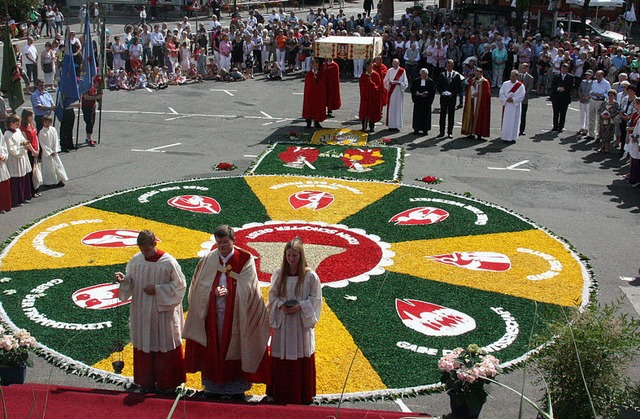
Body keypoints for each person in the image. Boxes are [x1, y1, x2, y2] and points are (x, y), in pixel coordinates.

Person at [183, 225, 271, 400]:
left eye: (225, 242)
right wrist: (213, 292)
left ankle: (235, 389)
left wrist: (230, 293)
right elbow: (198, 286)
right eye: (219, 242)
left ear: (233, 241)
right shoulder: (209, 259)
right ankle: (213, 387)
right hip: (213, 316)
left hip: (237, 316)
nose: (222, 246)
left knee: (235, 347)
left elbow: (250, 289)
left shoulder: (245, 260)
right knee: (213, 348)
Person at [115, 230, 187, 393]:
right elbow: (131, 282)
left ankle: (167, 384)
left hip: (162, 312)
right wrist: (124, 280)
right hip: (142, 310)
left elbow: (180, 287)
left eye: (147, 249)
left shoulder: (168, 262)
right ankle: (146, 382)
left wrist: (157, 289)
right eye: (141, 249)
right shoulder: (136, 261)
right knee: (144, 342)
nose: (144, 253)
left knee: (163, 342)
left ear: (154, 244)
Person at [267, 238, 321, 405]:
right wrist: (280, 305)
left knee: (299, 353)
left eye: (295, 256)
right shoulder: (279, 274)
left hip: (299, 324)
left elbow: (316, 299)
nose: (291, 259)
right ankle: (279, 394)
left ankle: (302, 394)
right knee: (280, 356)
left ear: (301, 255)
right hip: (283, 322)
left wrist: (300, 307)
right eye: (289, 255)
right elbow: (272, 296)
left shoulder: (310, 276)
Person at [3, 114, 35, 207]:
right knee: (16, 180)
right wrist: (23, 148)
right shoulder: (7, 135)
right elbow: (12, 149)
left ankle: (25, 196)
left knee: (23, 177)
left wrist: (26, 144)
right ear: (11, 123)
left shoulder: (17, 131)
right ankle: (17, 200)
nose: (18, 125)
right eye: (16, 123)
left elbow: (23, 140)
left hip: (22, 157)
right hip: (14, 160)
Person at [461, 67, 491, 140]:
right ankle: (471, 132)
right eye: (476, 73)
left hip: (480, 103)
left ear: (481, 73)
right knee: (471, 115)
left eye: (478, 73)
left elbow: (487, 94)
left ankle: (479, 133)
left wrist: (479, 94)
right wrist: (472, 93)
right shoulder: (473, 80)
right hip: (472, 101)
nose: (477, 75)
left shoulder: (485, 82)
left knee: (480, 117)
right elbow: (468, 90)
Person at [37, 115, 67, 187]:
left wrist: (55, 149)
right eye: (46, 122)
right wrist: (50, 152)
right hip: (47, 154)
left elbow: (56, 140)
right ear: (43, 123)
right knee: (48, 167)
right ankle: (48, 182)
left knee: (57, 166)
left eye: (49, 122)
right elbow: (43, 144)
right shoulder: (41, 132)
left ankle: (59, 180)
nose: (47, 124)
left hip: (54, 151)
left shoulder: (53, 129)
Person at [436, 59, 463, 139]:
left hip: (452, 98)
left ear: (453, 66)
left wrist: (453, 93)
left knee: (451, 115)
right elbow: (438, 86)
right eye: (448, 65)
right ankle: (441, 132)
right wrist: (442, 92)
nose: (449, 67)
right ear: (446, 66)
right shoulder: (442, 75)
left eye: (451, 65)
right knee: (442, 115)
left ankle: (450, 132)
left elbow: (459, 88)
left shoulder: (457, 75)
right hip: (444, 98)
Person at [499, 70, 526, 143]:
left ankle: (513, 138)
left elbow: (522, 95)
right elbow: (501, 93)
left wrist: (513, 99)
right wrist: (506, 99)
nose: (512, 77)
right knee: (506, 121)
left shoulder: (520, 85)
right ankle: (505, 137)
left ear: (517, 76)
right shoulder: (505, 84)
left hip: (515, 106)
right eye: (511, 76)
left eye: (513, 76)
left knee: (515, 121)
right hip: (507, 105)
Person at [383, 58, 408, 131]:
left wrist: (399, 83)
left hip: (398, 93)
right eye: (393, 64)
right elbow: (385, 81)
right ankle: (391, 125)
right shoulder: (390, 71)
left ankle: (397, 125)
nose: (395, 65)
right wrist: (389, 83)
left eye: (396, 64)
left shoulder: (402, 71)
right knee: (391, 108)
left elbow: (405, 83)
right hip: (391, 92)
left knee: (398, 108)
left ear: (399, 63)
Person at [359, 61, 383, 132]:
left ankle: (371, 127)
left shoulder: (376, 75)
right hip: (365, 97)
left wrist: (371, 84)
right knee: (364, 112)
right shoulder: (363, 75)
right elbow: (361, 85)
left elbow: (378, 86)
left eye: (370, 66)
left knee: (372, 111)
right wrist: (366, 85)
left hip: (373, 97)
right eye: (367, 66)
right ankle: (364, 126)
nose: (368, 68)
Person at [410, 68, 435, 135]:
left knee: (425, 116)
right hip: (418, 101)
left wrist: (428, 94)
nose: (424, 76)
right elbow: (412, 89)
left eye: (425, 75)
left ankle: (425, 129)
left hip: (426, 101)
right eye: (423, 74)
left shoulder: (430, 81)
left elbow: (433, 91)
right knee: (417, 115)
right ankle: (416, 129)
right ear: (420, 74)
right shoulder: (416, 81)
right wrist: (416, 93)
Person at [302, 59, 327, 129]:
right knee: (309, 108)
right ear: (311, 66)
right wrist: (314, 77)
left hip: (317, 95)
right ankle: (308, 122)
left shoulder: (320, 74)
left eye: (316, 66)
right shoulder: (309, 74)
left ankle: (317, 122)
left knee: (317, 108)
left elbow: (321, 83)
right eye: (314, 66)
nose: (315, 67)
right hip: (310, 95)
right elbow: (309, 84)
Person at [550, 63, 575, 132]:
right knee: (555, 112)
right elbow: (552, 85)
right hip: (556, 97)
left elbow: (572, 86)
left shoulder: (571, 77)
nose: (564, 70)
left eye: (566, 68)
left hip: (565, 97)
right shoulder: (556, 76)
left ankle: (561, 127)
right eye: (563, 68)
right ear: (561, 69)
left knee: (563, 113)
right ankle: (555, 126)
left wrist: (564, 89)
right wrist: (558, 88)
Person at [588, 70, 611, 140]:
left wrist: (602, 95)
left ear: (602, 76)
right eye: (596, 76)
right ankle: (591, 134)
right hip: (592, 100)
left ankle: (598, 135)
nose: (597, 77)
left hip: (600, 101)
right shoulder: (594, 82)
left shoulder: (606, 83)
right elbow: (590, 90)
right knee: (591, 117)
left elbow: (609, 93)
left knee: (599, 119)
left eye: (599, 76)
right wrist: (593, 93)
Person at [81, 76, 102, 146]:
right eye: (98, 83)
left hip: (92, 106)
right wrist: (96, 97)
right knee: (89, 122)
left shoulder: (95, 88)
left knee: (92, 122)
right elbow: (86, 97)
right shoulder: (87, 87)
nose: (98, 85)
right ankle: (89, 138)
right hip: (86, 107)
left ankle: (89, 137)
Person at [518, 63, 534, 136]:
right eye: (522, 68)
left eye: (524, 68)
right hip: (517, 99)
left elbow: (529, 88)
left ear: (527, 69)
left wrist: (522, 94)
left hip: (524, 99)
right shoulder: (518, 76)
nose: (523, 69)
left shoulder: (530, 78)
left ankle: (522, 130)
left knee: (523, 115)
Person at [578, 69, 594, 136]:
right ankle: (582, 126)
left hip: (588, 100)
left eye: (589, 75)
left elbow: (593, 91)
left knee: (587, 114)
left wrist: (588, 97)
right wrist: (580, 96)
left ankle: (587, 128)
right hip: (582, 99)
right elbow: (580, 89)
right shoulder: (583, 81)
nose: (587, 76)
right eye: (587, 74)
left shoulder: (593, 82)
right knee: (582, 113)